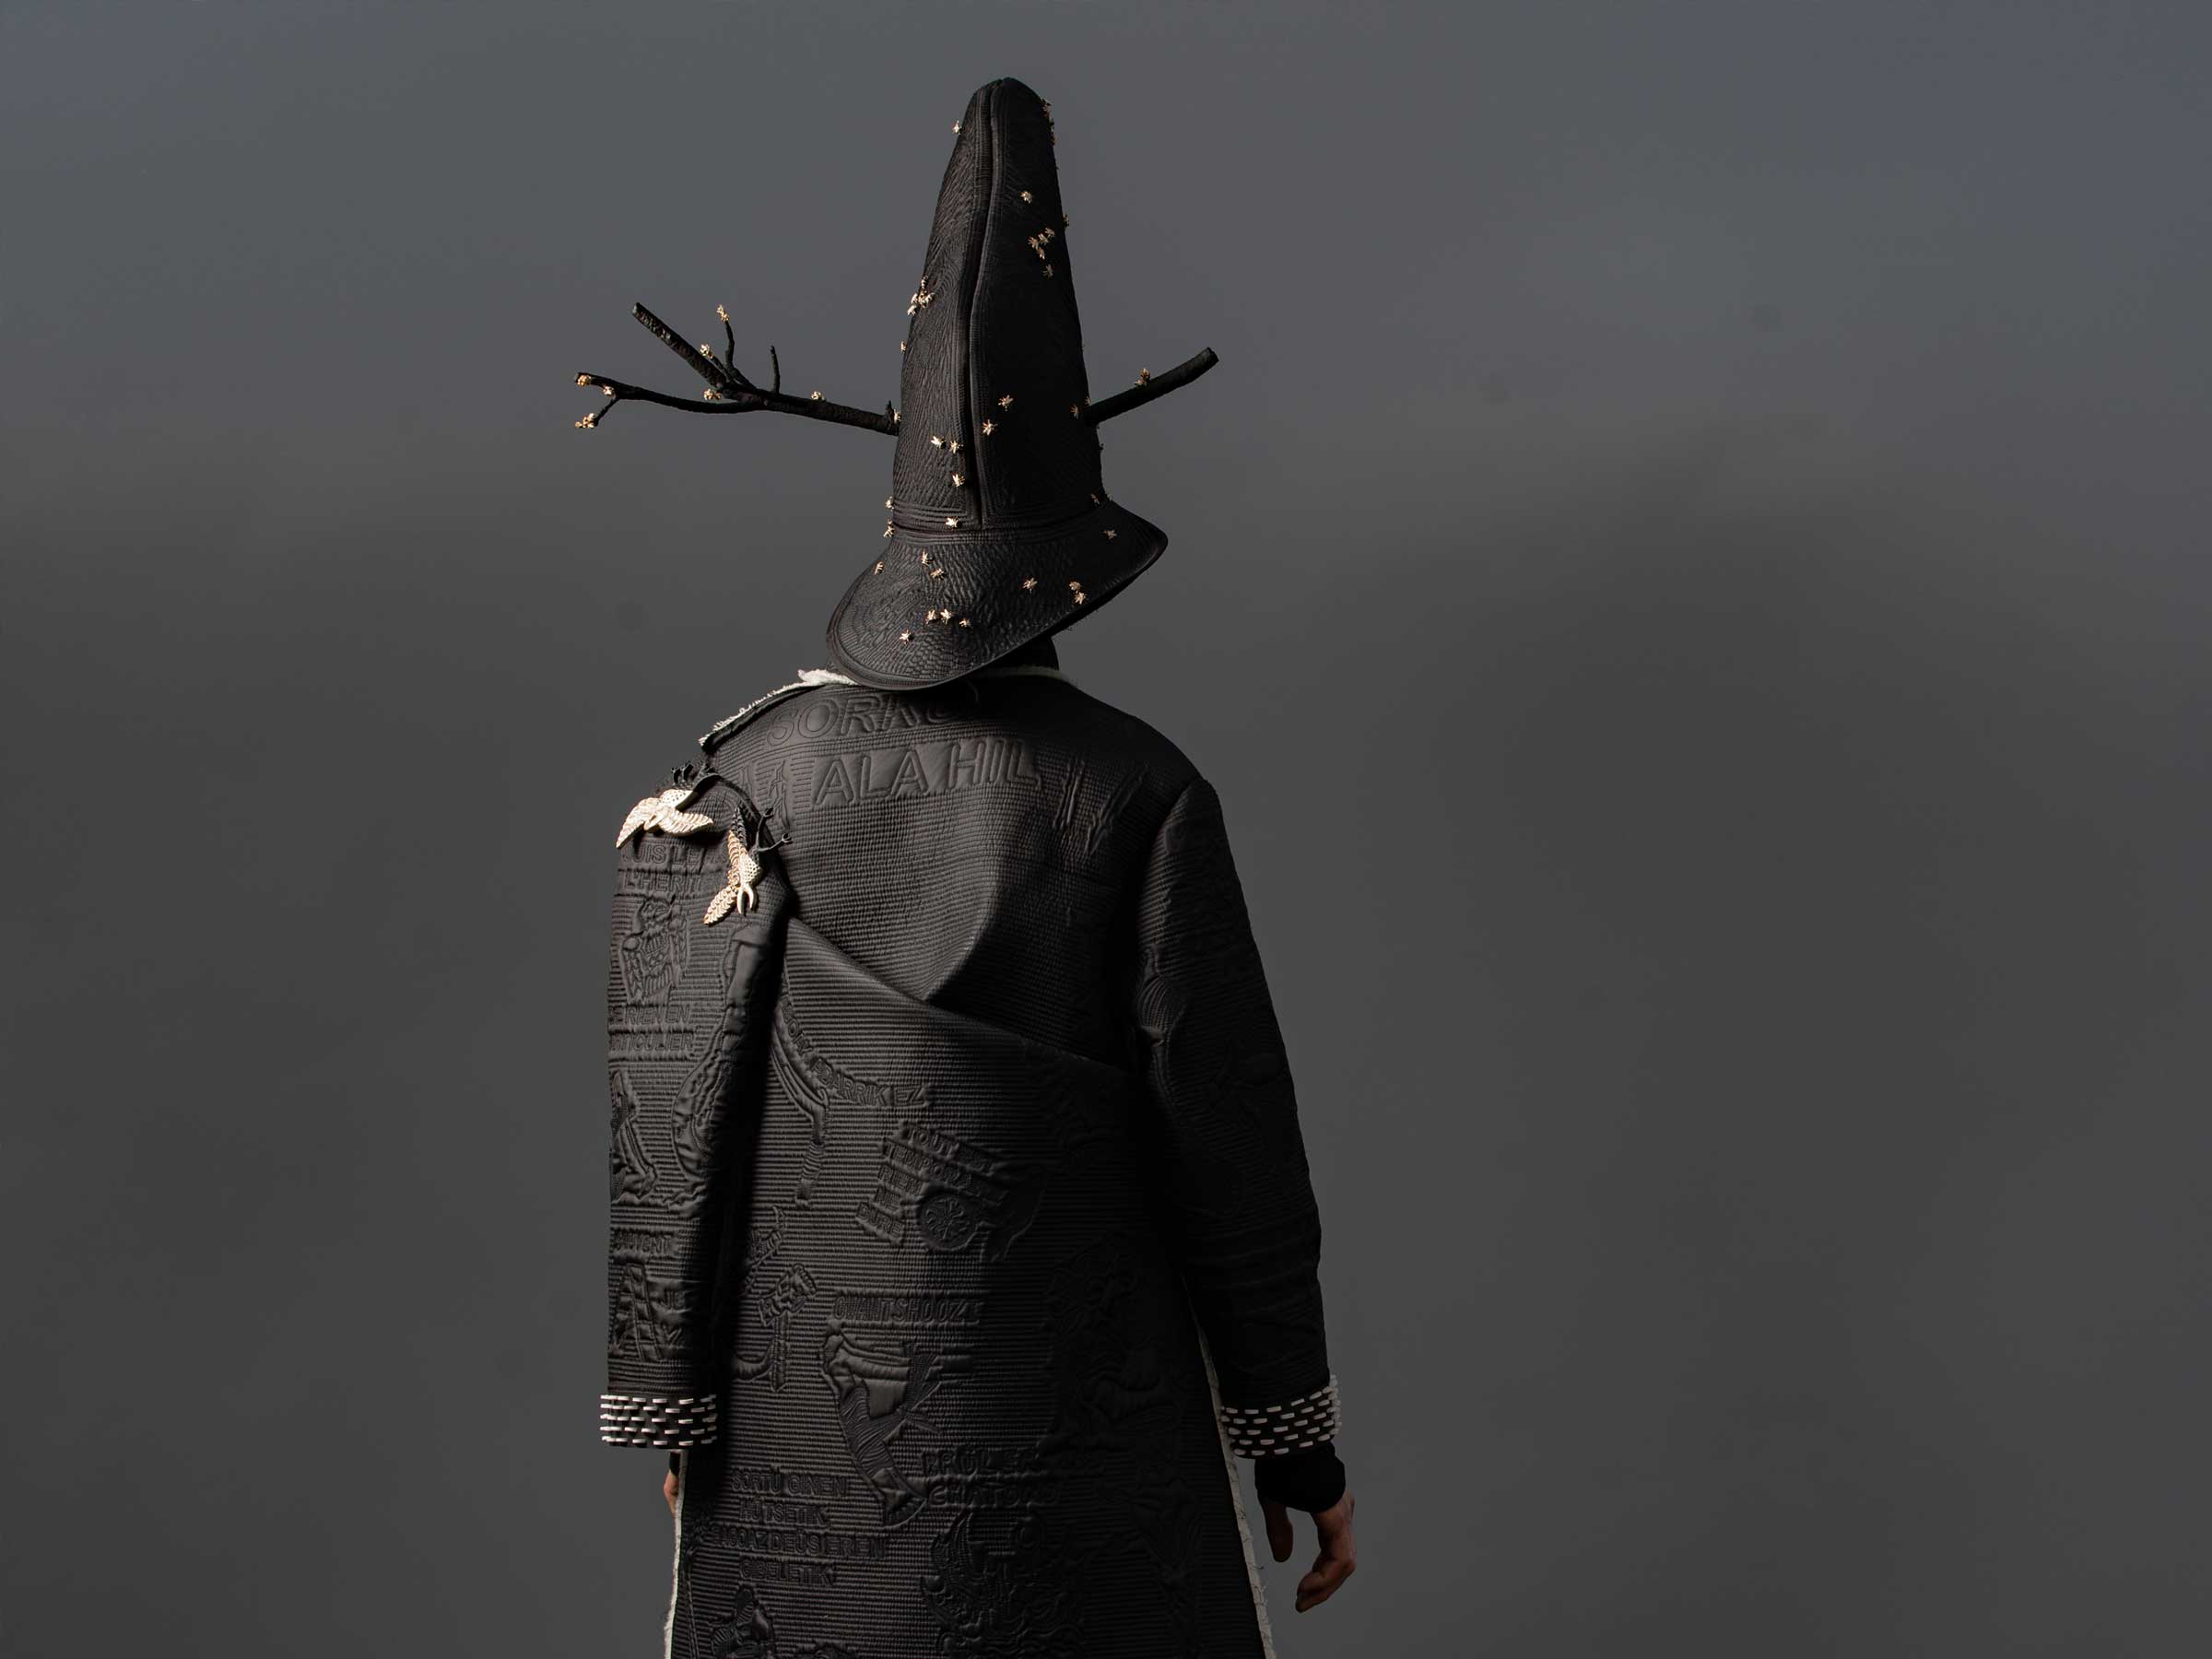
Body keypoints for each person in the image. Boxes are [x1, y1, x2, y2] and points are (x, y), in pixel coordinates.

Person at [587, 76, 1355, 1657]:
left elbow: (668, 1108)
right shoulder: (1139, 788)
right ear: (1071, 571)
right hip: (1086, 1422)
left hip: (797, 1422)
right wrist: (1294, 1440)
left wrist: (673, 1401)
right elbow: (1232, 1144)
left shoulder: (735, 782)